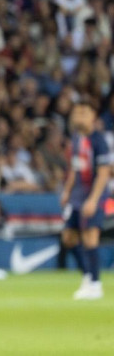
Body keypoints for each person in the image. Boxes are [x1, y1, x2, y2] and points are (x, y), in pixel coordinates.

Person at [60, 101, 111, 300]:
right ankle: (87, 276)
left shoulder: (99, 141)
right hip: (77, 196)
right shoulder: (76, 139)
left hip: (93, 196)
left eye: (84, 112)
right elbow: (75, 168)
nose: (79, 116)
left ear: (93, 116)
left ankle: (96, 284)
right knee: (69, 238)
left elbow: (104, 173)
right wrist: (67, 191)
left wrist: (94, 199)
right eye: (76, 112)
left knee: (90, 237)